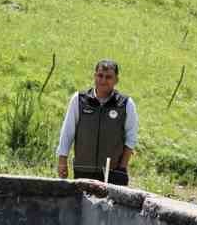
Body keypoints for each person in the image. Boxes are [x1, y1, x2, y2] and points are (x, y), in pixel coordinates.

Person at [55, 59, 139, 187]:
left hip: (112, 174)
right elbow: (67, 132)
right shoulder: (79, 100)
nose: (103, 80)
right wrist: (62, 161)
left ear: (116, 80)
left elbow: (131, 139)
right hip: (83, 170)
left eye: (108, 77)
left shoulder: (126, 104)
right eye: (100, 76)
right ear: (95, 76)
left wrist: (121, 169)